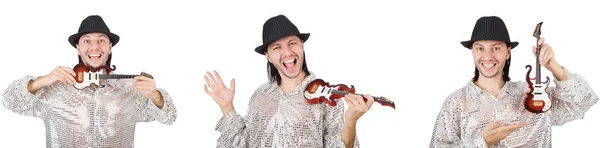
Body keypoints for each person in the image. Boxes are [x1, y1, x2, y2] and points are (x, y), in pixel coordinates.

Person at [2, 15, 177, 148]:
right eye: (87, 41)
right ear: (78, 48)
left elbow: (170, 118)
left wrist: (156, 96)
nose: (94, 47)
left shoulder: (130, 90)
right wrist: (42, 80)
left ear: (109, 48)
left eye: (101, 40)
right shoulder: (54, 90)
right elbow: (9, 101)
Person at [204, 14, 374, 148]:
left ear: (302, 45)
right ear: (268, 56)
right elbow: (243, 144)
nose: (287, 52)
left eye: (292, 43)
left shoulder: (327, 97)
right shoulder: (260, 96)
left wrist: (350, 122)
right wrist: (227, 106)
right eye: (277, 47)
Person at [429, 16, 598, 147]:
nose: (487, 56)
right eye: (480, 48)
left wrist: (552, 66)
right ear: (473, 52)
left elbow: (584, 101)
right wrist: (482, 143)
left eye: (496, 48)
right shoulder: (456, 103)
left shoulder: (534, 97)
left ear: (508, 52)